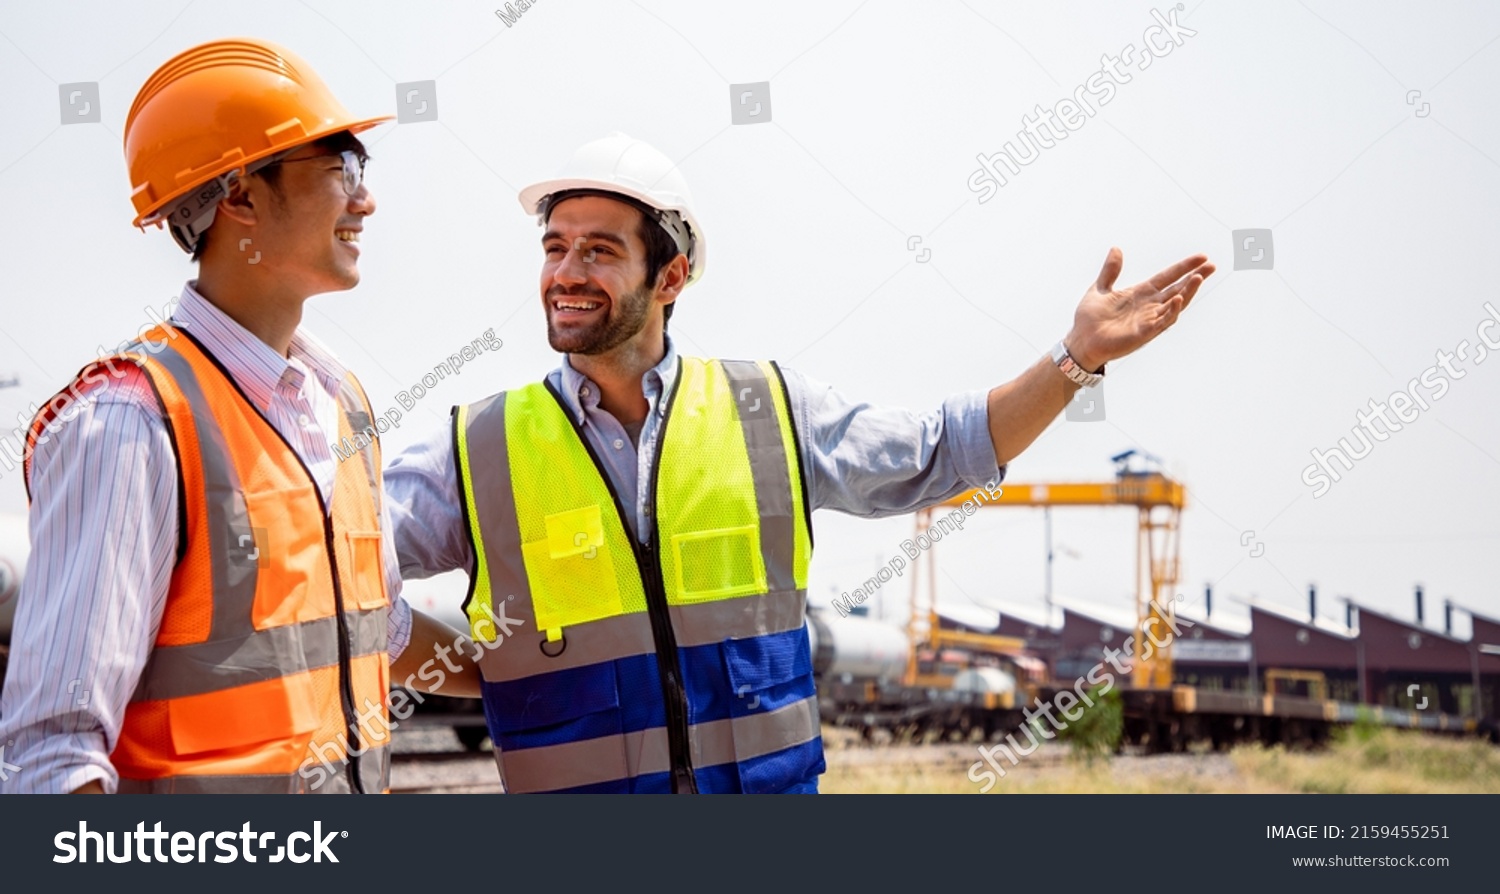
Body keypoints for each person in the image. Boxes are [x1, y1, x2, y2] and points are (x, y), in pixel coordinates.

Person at [385, 132, 1214, 793]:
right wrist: (485, 674)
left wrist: (1074, 358)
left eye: (599, 251)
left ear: (670, 275)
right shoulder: (480, 450)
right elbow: (334, 574)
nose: (566, 273)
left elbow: (945, 450)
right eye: (555, 247)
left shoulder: (767, 413)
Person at [0, 38, 476, 795]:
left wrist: (526, 678)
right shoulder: (129, 423)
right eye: (341, 169)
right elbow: (51, 761)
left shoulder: (339, 401)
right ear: (241, 197)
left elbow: (372, 632)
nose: (366, 199)